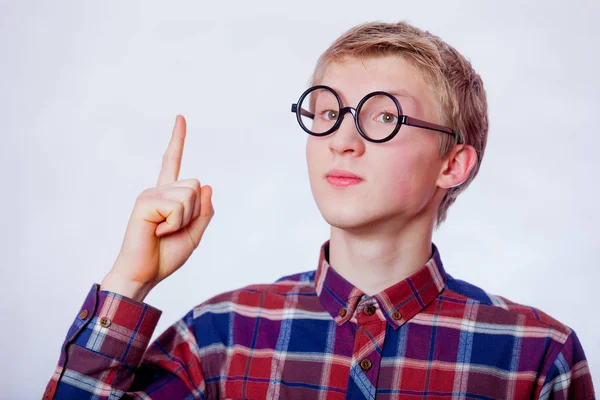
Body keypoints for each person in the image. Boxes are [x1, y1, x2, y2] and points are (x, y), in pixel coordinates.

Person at [43, 21, 595, 399]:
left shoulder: (536, 356)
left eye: (383, 118)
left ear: (452, 164)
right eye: (327, 112)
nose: (342, 140)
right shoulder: (220, 337)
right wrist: (128, 283)